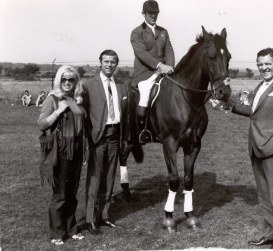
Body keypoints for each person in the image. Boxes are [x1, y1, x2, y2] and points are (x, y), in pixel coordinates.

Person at [232, 48, 273, 249]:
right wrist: (231, 104)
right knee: (264, 196)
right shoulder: (260, 86)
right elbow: (254, 112)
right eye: (260, 64)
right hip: (255, 149)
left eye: (267, 63)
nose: (263, 67)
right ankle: (270, 234)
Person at [37, 66, 87, 245]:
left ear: (76, 81)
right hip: (61, 152)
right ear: (59, 80)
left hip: (77, 150)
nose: (67, 83)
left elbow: (82, 129)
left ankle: (71, 229)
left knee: (72, 193)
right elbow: (42, 124)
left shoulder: (77, 99)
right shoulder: (53, 98)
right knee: (60, 194)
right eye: (64, 79)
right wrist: (58, 111)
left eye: (71, 80)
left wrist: (84, 152)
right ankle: (57, 233)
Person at [82, 49, 127, 235]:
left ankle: (104, 215)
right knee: (95, 178)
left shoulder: (121, 85)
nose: (109, 65)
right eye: (106, 61)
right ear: (100, 63)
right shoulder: (89, 85)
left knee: (109, 177)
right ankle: (90, 219)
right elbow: (83, 113)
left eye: (113, 62)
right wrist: (87, 138)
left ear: (116, 64)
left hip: (115, 135)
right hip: (98, 137)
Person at [130, 0, 175, 143]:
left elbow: (169, 50)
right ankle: (142, 130)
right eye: (150, 13)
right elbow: (142, 54)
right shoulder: (137, 32)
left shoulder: (163, 31)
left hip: (163, 71)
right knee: (145, 93)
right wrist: (160, 65)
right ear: (144, 14)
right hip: (145, 72)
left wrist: (170, 66)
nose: (153, 16)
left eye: (156, 13)